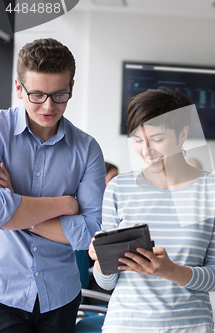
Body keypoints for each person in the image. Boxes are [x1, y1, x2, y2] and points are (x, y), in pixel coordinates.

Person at [89, 88, 215, 333]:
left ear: (182, 134)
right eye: (137, 139)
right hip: (125, 325)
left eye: (157, 139)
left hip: (189, 326)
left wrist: (170, 271)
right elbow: (106, 282)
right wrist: (100, 260)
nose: (146, 150)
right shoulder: (118, 188)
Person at [0, 38, 106, 332]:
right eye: (37, 94)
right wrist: (65, 204)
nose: (48, 106)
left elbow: (90, 232)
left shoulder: (87, 149)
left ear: (72, 87)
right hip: (2, 292)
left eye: (59, 95)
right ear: (19, 88)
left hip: (60, 296)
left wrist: (16, 207)